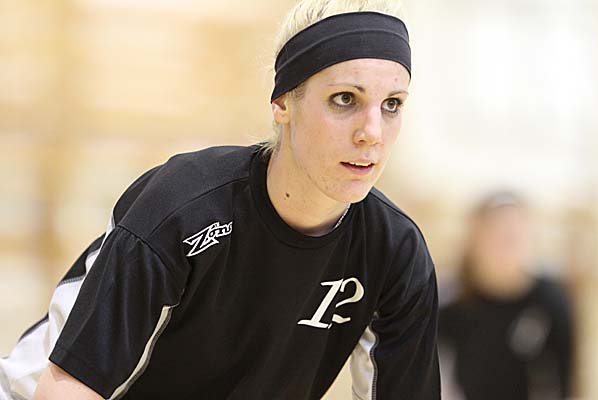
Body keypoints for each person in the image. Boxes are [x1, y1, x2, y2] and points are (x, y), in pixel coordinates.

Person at [0, 0, 441, 399]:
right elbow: (65, 390)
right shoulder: (184, 208)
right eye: (344, 99)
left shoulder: (395, 251)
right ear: (283, 104)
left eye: (392, 104)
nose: (372, 133)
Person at [438, 191, 574, 400]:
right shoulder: (451, 301)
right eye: (495, 237)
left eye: (513, 239)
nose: (504, 249)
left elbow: (565, 379)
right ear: (474, 242)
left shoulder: (550, 301)